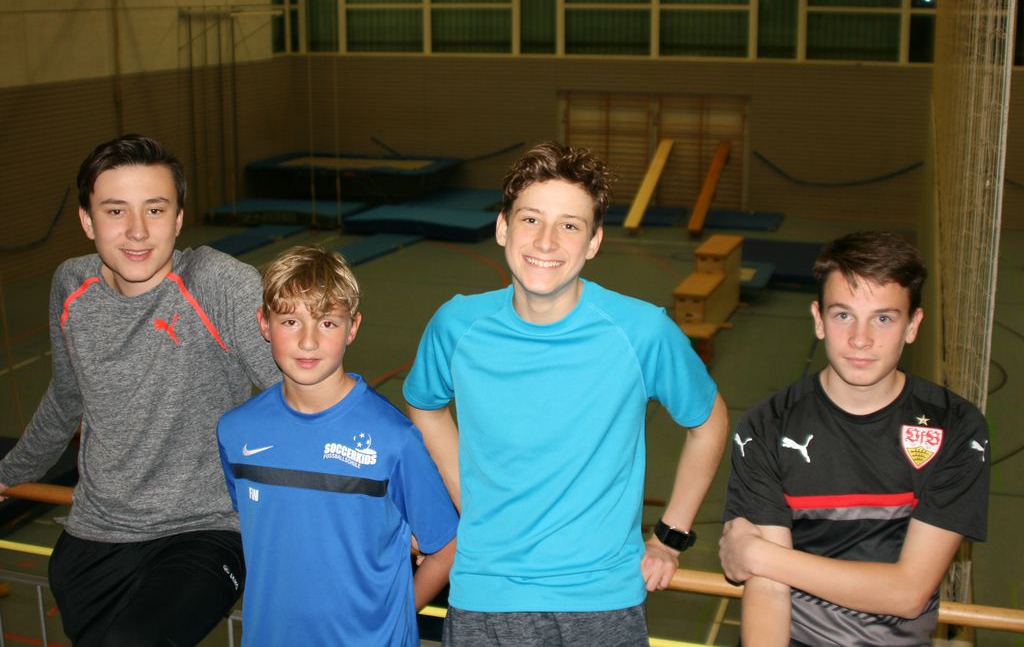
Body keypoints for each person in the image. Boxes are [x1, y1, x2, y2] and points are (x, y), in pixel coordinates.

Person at [403, 141, 730, 645]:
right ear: (503, 227)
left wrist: (670, 536)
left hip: (602, 601)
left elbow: (708, 422)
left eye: (570, 226)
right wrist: (469, 500)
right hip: (487, 595)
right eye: (531, 219)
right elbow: (425, 407)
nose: (546, 241)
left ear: (594, 242)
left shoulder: (641, 332)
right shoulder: (457, 325)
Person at [0, 134, 281, 646]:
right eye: (115, 211)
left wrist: (384, 497)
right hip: (92, 541)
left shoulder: (216, 284)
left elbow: (307, 394)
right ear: (87, 221)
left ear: (178, 219)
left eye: (155, 209)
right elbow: (66, 398)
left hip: (202, 532)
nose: (137, 231)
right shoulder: (71, 286)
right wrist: (9, 474)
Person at [720, 231, 990, 646]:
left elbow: (908, 594)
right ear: (818, 319)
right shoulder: (766, 427)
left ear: (913, 325)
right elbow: (768, 591)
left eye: (883, 319)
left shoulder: (955, 426)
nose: (860, 339)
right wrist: (767, 566)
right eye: (843, 315)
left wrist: (760, 555)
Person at [217, 245, 458, 646]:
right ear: (264, 323)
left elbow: (447, 546)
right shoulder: (237, 431)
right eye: (290, 321)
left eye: (327, 323)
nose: (308, 341)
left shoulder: (392, 438)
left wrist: (394, 618)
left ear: (352, 327)